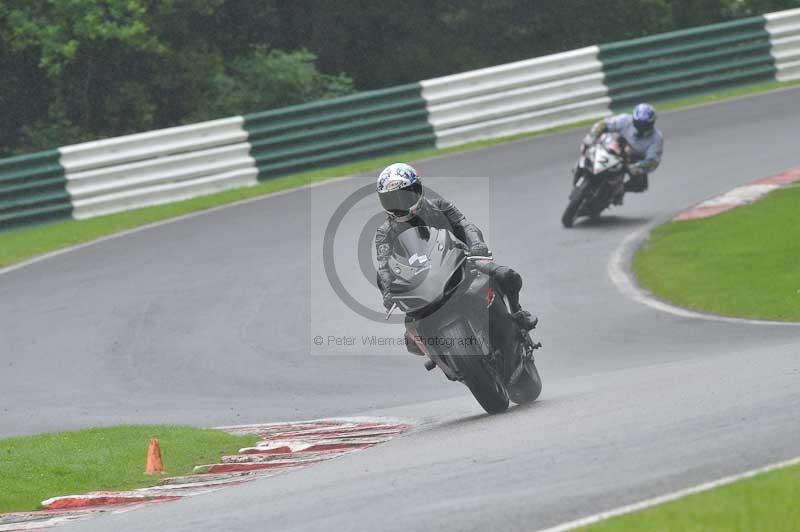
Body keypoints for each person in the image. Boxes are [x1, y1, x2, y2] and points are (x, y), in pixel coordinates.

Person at [374, 163, 536, 355]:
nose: (400, 204)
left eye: (405, 196)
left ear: (418, 189)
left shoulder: (440, 207)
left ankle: (518, 315)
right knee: (411, 340)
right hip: (420, 282)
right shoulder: (384, 232)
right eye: (392, 200)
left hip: (461, 261)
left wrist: (476, 245)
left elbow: (466, 226)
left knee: (507, 275)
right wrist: (387, 291)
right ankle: (441, 357)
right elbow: (383, 266)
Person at [576, 103, 664, 204]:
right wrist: (590, 138)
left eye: (645, 125)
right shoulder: (624, 119)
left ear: (652, 123)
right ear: (633, 119)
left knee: (641, 184)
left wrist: (638, 167)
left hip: (632, 161)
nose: (641, 127)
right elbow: (603, 124)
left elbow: (653, 160)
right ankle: (580, 171)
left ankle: (618, 191)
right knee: (588, 152)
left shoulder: (656, 138)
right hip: (613, 146)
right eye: (639, 124)